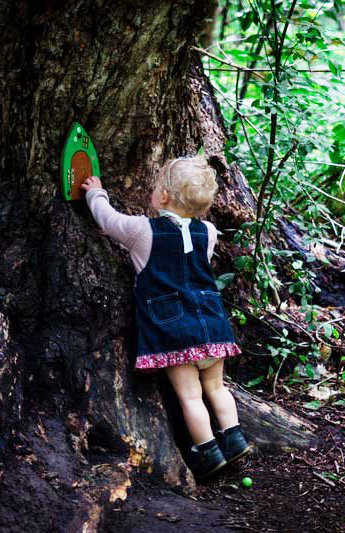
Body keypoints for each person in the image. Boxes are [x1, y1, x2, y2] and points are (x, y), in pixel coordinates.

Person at [81, 155, 253, 479]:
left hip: (174, 329)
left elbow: (107, 220)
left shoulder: (142, 231)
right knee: (216, 387)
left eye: (158, 185)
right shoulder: (209, 232)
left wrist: (95, 192)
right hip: (211, 324)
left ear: (163, 197)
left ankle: (208, 453)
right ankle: (234, 437)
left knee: (190, 396)